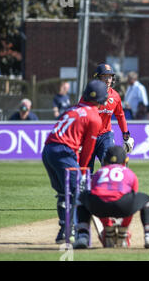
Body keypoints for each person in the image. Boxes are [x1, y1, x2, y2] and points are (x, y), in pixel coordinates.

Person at [42, 79, 108, 244]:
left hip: (48, 151)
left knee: (64, 193)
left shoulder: (72, 110)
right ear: (102, 99)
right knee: (76, 193)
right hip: (64, 152)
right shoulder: (95, 118)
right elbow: (88, 149)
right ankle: (71, 231)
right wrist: (84, 170)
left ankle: (64, 229)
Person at [73, 146, 149, 249]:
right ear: (125, 161)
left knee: (81, 199)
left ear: (105, 160)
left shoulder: (99, 173)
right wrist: (123, 228)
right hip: (123, 206)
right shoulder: (129, 173)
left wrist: (108, 227)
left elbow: (98, 195)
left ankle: (82, 237)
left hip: (99, 206)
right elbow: (132, 198)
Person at [80, 63, 134, 173]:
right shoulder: (89, 95)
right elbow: (79, 115)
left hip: (105, 136)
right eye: (105, 76)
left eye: (110, 77)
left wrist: (126, 136)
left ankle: (110, 189)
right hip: (88, 136)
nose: (108, 80)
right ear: (98, 78)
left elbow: (120, 116)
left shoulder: (115, 96)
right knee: (85, 172)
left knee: (111, 166)